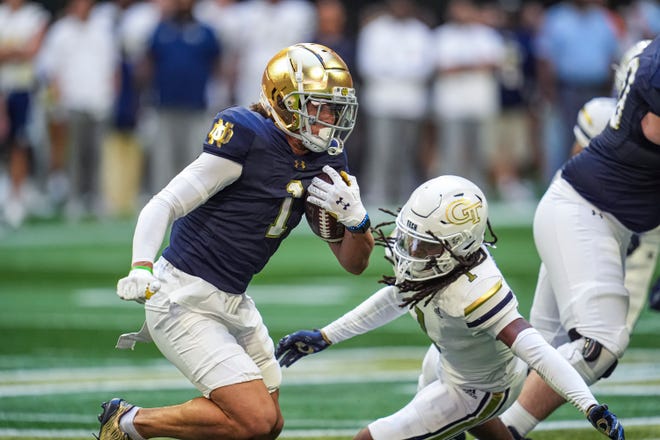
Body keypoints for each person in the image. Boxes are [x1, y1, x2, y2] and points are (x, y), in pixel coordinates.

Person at [95, 43, 375, 440]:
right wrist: (141, 264)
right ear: (284, 102)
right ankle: (127, 422)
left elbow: (354, 263)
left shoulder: (327, 159)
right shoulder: (246, 134)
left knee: (269, 424)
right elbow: (165, 203)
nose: (330, 119)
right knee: (254, 419)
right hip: (183, 296)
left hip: (235, 298)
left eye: (335, 108)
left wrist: (357, 220)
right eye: (319, 106)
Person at [275, 175, 624, 440]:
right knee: (461, 424)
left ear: (460, 244)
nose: (409, 251)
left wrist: (589, 406)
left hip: (481, 388)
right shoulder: (428, 255)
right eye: (410, 238)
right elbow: (398, 296)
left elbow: (540, 354)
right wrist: (326, 335)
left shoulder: (476, 292)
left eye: (423, 246)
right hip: (450, 356)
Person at [499, 36, 660, 439]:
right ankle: (501, 432)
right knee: (600, 346)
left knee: (532, 359)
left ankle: (438, 399)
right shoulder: (655, 66)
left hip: (599, 219)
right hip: (584, 213)